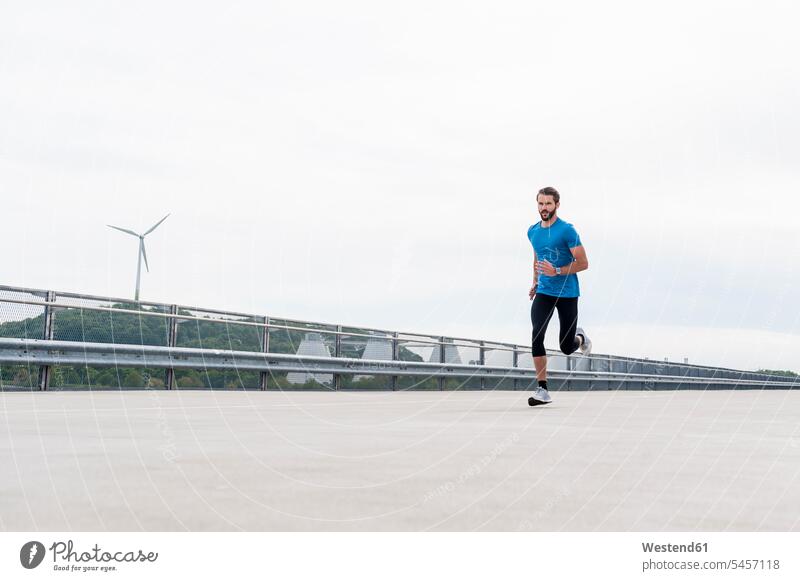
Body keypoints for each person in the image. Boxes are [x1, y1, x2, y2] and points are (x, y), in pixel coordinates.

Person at [526, 186, 591, 405]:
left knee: (565, 346)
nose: (544, 208)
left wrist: (558, 271)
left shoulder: (567, 231)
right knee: (537, 335)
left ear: (557, 205)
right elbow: (537, 257)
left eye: (548, 204)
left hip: (568, 293)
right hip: (544, 292)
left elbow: (583, 263)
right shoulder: (532, 231)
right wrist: (535, 281)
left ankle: (580, 338)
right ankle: (542, 389)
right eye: (540, 203)